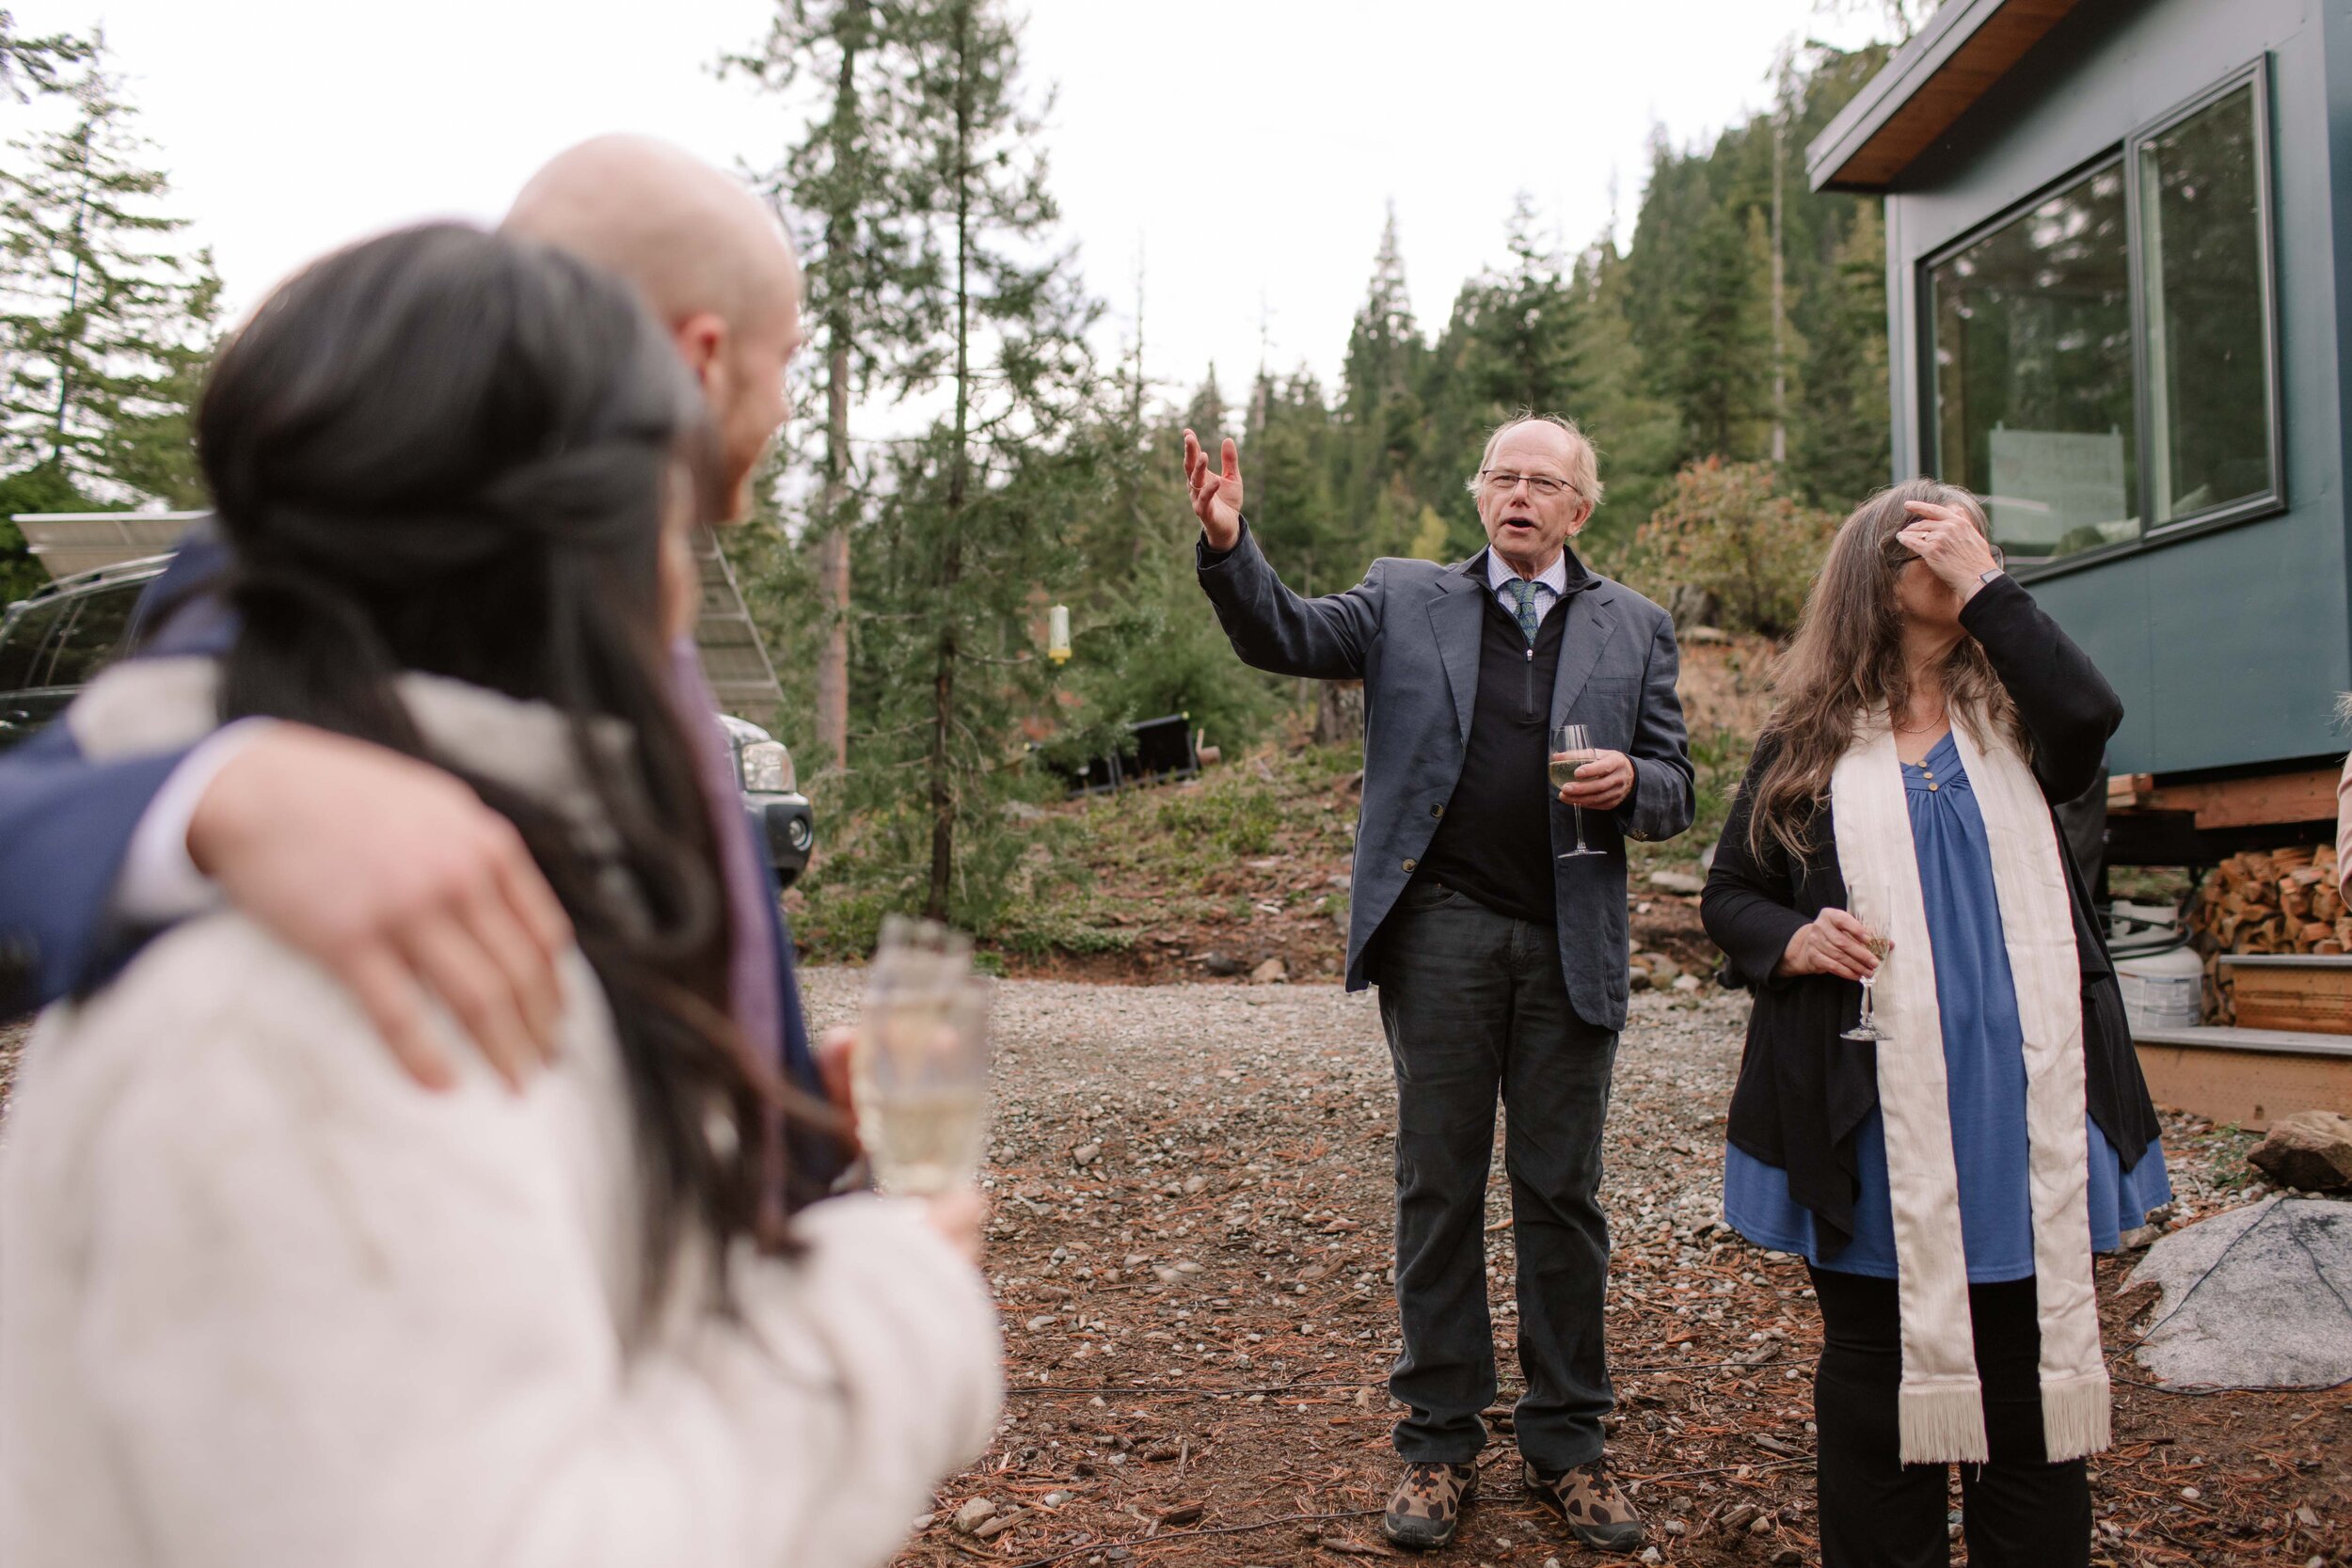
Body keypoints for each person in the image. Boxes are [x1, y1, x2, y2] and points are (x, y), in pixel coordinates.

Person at [0, 224, 1000, 1568]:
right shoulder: (312, 1009)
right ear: (577, 537)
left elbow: (477, 1290)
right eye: (660, 514)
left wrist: (736, 1132)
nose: (691, 563)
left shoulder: (464, 852)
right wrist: (894, 1306)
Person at [0, 136, 827, 1137]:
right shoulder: (301, 557)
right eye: (784, 360)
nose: (784, 403)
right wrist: (219, 792)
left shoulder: (646, 609)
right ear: (699, 359)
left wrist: (804, 1141)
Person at [1184, 416, 1693, 1555]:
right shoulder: (1403, 595)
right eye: (1502, 476)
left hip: (1572, 939)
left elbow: (1678, 785)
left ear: (1579, 508)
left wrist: (1633, 782)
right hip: (1443, 935)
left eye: (1543, 480)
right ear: (1479, 495)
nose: (1520, 493)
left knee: (1562, 1192)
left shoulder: (1634, 626)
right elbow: (1286, 634)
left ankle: (1569, 1440)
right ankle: (1437, 1440)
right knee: (1439, 1184)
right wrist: (1230, 542)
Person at [1699, 479, 2170, 1568]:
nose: (1960, 549)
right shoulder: (1808, 740)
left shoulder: (2021, 717)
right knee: (1873, 1376)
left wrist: (1989, 586)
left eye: (1973, 538)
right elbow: (1729, 894)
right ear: (1876, 570)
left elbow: (2092, 712)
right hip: (1868, 1109)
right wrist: (1790, 938)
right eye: (1932, 537)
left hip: (2029, 1108)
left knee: (2025, 1383)